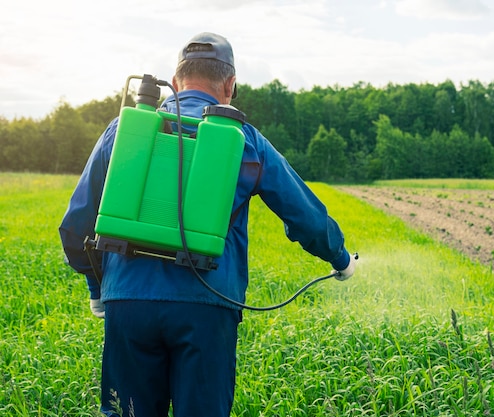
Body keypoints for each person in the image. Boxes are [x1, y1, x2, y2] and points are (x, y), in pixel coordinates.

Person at [59, 32, 356, 417]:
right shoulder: (244, 140)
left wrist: (97, 287)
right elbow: (304, 215)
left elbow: (75, 226)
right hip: (207, 307)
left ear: (176, 80)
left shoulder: (124, 129)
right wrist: (340, 257)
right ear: (230, 86)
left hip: (128, 302)